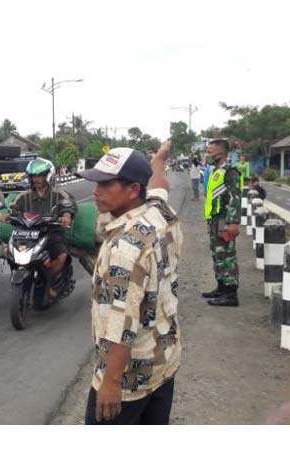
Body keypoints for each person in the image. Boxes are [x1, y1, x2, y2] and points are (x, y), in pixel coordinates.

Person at [75, 141, 182, 425]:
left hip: (128, 381)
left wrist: (110, 384)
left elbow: (121, 323)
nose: (95, 192)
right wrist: (159, 160)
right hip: (163, 365)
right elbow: (159, 185)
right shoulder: (160, 212)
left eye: (106, 185)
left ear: (133, 190)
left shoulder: (125, 248)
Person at [0, 158, 77, 300]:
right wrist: (6, 216)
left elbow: (68, 204)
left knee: (62, 256)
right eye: (34, 176)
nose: (36, 179)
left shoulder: (59, 194)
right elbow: (13, 209)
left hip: (51, 234)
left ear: (48, 175)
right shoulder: (24, 196)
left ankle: (50, 282)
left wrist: (66, 215)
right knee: (7, 251)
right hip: (27, 234)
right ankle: (20, 276)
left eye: (40, 175)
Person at [203, 139, 242, 307]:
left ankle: (230, 294)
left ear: (221, 153)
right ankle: (221, 287)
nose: (207, 155)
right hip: (214, 219)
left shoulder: (230, 171)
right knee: (218, 254)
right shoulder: (216, 171)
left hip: (224, 220)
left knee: (227, 256)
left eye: (210, 152)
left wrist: (233, 222)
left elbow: (235, 197)